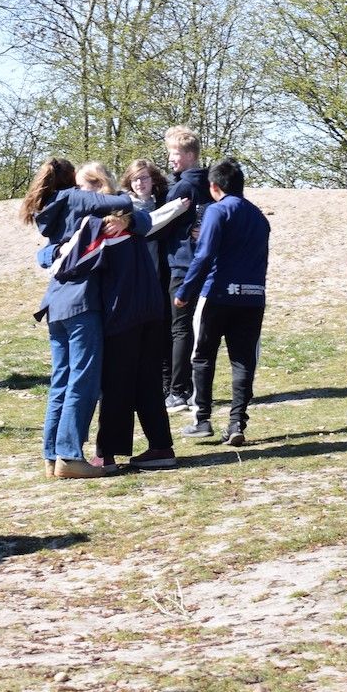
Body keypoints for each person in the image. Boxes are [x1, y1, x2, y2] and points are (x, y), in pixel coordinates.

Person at [26, 158, 132, 478]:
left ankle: (51, 457)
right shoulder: (76, 198)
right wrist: (113, 200)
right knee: (82, 382)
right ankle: (70, 456)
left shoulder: (55, 207)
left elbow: (48, 251)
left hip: (56, 304)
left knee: (61, 382)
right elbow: (126, 203)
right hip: (82, 304)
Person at [174, 159, 272, 446]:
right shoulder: (259, 217)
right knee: (243, 361)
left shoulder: (216, 211)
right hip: (253, 296)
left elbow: (204, 254)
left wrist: (185, 291)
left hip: (217, 294)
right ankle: (237, 422)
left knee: (203, 355)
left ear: (214, 186)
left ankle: (202, 419)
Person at [95, 165, 185, 471]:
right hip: (149, 308)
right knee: (146, 382)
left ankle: (107, 454)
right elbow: (146, 220)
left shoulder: (106, 220)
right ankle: (160, 447)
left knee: (116, 383)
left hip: (124, 311)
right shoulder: (129, 214)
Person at [161, 128, 211, 412]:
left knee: (179, 328)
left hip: (182, 265)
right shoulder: (210, 183)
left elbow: (160, 225)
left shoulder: (182, 188)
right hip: (204, 265)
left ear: (190, 155)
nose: (171, 159)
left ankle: (178, 391)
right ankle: (194, 389)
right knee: (197, 328)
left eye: (175, 153)